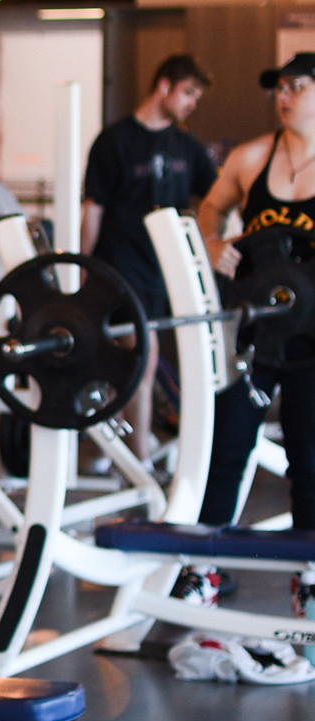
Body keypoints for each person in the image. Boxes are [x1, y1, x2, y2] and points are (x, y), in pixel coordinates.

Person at [173, 52, 315, 668]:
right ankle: (202, 572)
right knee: (228, 447)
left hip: (313, 340)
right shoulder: (252, 157)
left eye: (298, 86)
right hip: (256, 334)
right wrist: (216, 246)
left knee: (309, 462)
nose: (285, 96)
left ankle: (308, 580)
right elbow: (207, 215)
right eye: (280, 86)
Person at [82, 54, 218, 454]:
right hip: (120, 264)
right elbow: (94, 210)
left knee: (134, 358)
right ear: (164, 85)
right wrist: (80, 270)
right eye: (188, 93)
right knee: (143, 353)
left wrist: (214, 247)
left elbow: (216, 201)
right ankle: (137, 454)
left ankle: (121, 447)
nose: (192, 103)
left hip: (165, 269)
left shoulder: (188, 148)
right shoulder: (114, 142)